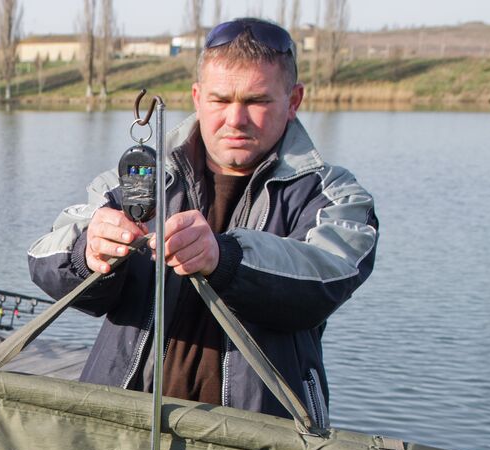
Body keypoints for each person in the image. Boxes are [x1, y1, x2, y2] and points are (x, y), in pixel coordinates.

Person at [28, 18, 378, 425]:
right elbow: (43, 255)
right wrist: (87, 253)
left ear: (294, 100)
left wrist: (225, 257)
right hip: (118, 433)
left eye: (257, 101)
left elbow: (325, 277)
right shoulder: (138, 179)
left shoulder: (332, 194)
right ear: (197, 97)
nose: (236, 119)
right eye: (220, 100)